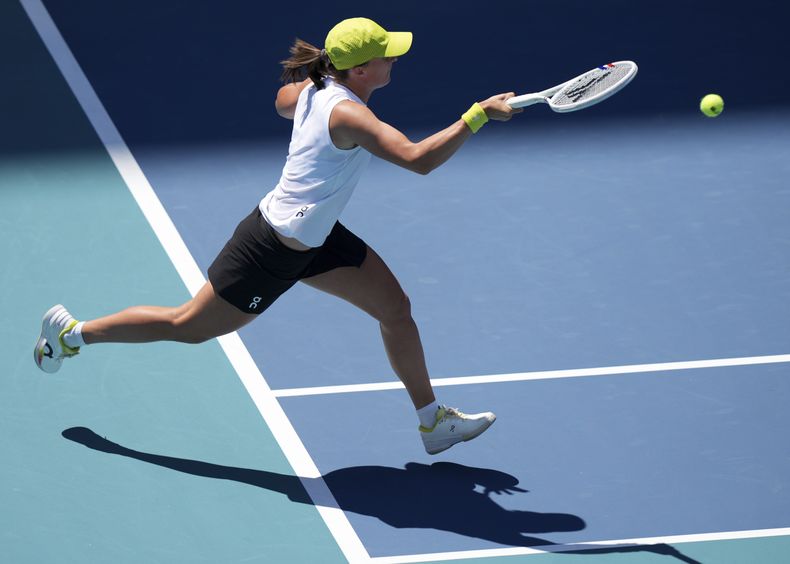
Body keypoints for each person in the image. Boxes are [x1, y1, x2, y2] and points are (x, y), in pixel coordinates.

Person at [34, 17, 522, 455]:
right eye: (384, 54)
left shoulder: (312, 89)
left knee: (396, 309)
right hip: (271, 249)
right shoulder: (350, 114)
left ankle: (432, 423)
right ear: (360, 72)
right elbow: (418, 160)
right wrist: (476, 116)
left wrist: (314, 87)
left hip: (317, 236)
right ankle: (74, 334)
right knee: (187, 325)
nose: (393, 57)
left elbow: (282, 99)